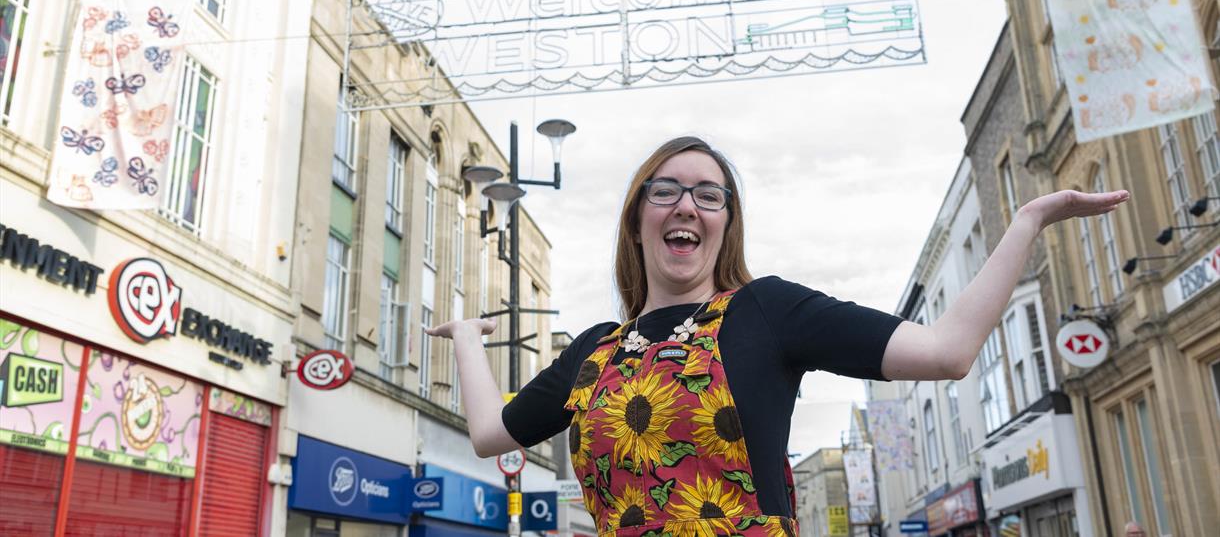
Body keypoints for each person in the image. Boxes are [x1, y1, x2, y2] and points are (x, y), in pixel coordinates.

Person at [427, 136, 1129, 537]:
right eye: (665, 189)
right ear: (637, 217)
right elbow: (491, 432)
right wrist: (465, 334)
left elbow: (947, 350)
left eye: (710, 194)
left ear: (726, 222)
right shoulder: (592, 352)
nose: (687, 205)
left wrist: (1028, 221)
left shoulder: (765, 312)